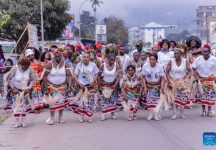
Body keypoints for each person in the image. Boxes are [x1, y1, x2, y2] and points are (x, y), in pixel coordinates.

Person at [43, 48, 72, 125]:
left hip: (62, 86)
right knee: (52, 103)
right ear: (54, 56)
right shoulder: (49, 64)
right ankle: (52, 118)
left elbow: (69, 75)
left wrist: (69, 86)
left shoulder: (66, 64)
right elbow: (45, 76)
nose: (58, 56)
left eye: (59, 55)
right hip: (51, 86)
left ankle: (60, 118)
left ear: (62, 55)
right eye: (56, 55)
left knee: (61, 103)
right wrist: (47, 87)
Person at [7, 58, 35, 128]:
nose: (27, 68)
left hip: (25, 89)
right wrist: (13, 88)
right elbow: (9, 79)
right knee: (16, 106)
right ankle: (17, 122)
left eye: (28, 66)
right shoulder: (14, 68)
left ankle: (23, 121)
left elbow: (33, 78)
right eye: (25, 66)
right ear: (21, 65)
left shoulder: (29, 69)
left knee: (23, 106)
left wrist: (29, 88)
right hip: (16, 89)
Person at [166, 48, 192, 120]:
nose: (176, 55)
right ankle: (174, 114)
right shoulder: (171, 61)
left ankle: (182, 113)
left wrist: (186, 78)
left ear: (181, 54)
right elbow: (167, 72)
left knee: (182, 98)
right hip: (173, 82)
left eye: (178, 53)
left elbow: (190, 71)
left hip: (182, 82)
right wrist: (169, 81)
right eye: (175, 53)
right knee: (174, 98)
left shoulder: (185, 61)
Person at [74, 52, 99, 123]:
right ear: (82, 58)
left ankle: (89, 116)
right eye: (84, 57)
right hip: (81, 87)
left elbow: (96, 74)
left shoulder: (93, 65)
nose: (86, 58)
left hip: (90, 86)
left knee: (90, 102)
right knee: (82, 102)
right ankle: (81, 116)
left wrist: (93, 82)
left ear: (89, 58)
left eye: (87, 57)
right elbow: (75, 75)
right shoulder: (79, 65)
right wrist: (79, 83)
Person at [192, 45, 216, 117]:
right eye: (203, 51)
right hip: (201, 80)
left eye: (206, 51)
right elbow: (193, 68)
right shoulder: (198, 59)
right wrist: (196, 76)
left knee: (210, 97)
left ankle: (209, 111)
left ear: (209, 52)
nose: (204, 53)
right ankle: (203, 110)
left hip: (210, 80)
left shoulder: (214, 59)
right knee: (202, 97)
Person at [142, 54, 165, 121]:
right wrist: (145, 87)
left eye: (153, 59)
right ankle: (150, 114)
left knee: (157, 101)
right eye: (150, 59)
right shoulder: (145, 66)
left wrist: (162, 88)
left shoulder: (160, 66)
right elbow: (143, 77)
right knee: (149, 101)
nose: (152, 61)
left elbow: (162, 78)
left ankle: (156, 114)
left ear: (156, 60)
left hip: (157, 86)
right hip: (148, 85)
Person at [99, 53, 121, 121]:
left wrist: (115, 84)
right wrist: (100, 86)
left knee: (113, 100)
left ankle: (112, 114)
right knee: (104, 100)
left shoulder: (116, 65)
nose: (112, 61)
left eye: (114, 60)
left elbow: (119, 76)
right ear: (108, 59)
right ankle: (103, 114)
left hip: (113, 85)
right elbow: (98, 76)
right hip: (105, 85)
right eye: (111, 60)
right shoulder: (103, 65)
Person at [25, 48, 44, 113]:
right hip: (27, 81)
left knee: (36, 94)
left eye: (32, 55)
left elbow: (40, 71)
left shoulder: (37, 63)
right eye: (30, 56)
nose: (32, 57)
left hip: (36, 81)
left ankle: (36, 108)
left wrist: (38, 75)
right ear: (27, 57)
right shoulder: (26, 64)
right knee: (28, 94)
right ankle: (30, 108)